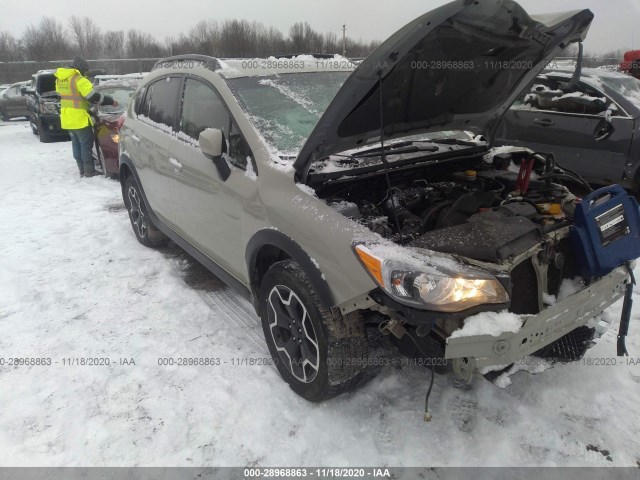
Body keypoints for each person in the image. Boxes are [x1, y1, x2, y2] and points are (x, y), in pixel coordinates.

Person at [55, 57, 118, 177]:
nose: (86, 73)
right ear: (81, 68)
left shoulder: (61, 80)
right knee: (85, 145)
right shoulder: (79, 80)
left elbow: (61, 96)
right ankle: (89, 171)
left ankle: (81, 169)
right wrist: (111, 101)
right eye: (85, 70)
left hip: (67, 118)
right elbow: (93, 97)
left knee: (76, 144)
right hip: (79, 118)